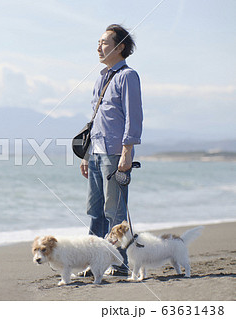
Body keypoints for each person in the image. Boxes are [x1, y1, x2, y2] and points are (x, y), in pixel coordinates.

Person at [80, 24, 143, 276]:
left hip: (115, 153)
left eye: (104, 42)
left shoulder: (128, 76)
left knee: (114, 210)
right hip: (95, 152)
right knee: (94, 210)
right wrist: (86, 155)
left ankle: (120, 263)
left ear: (120, 47)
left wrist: (127, 151)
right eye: (99, 42)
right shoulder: (101, 77)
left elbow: (133, 116)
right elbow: (96, 120)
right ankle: (95, 261)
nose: (99, 47)